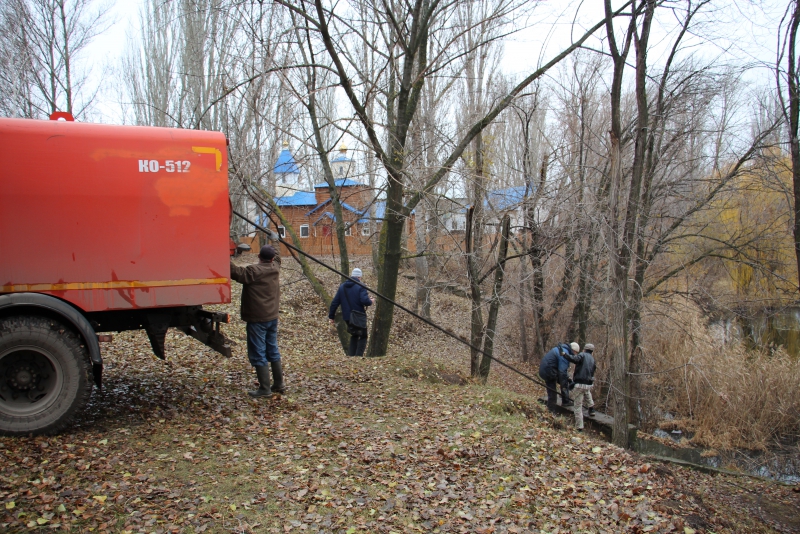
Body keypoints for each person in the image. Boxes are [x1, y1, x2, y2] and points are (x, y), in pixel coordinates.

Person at [230, 244, 284, 398]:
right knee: (272, 349)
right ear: (272, 258)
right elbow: (278, 257)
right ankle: (279, 384)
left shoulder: (253, 271)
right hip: (272, 317)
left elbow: (234, 271)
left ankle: (265, 389)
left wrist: (222, 256)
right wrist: (275, 240)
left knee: (258, 352)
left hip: (258, 319)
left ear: (259, 257)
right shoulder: (276, 267)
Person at [329, 268, 375, 356]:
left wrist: (331, 316)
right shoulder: (361, 286)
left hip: (347, 317)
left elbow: (335, 303)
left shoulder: (342, 287)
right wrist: (371, 301)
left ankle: (351, 357)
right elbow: (365, 301)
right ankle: (358, 358)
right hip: (358, 316)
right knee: (363, 336)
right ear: (359, 277)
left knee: (354, 335)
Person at [538, 342, 580, 412]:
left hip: (545, 369)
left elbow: (561, 369)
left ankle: (551, 409)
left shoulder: (562, 350)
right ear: (573, 350)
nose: (575, 355)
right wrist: (565, 385)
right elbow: (562, 373)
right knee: (553, 393)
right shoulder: (563, 354)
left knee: (552, 390)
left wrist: (568, 379)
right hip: (549, 371)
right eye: (576, 353)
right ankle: (551, 412)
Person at [571, 343, 597, 431]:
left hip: (579, 383)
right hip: (588, 384)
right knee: (586, 392)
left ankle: (579, 427)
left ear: (584, 349)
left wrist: (565, 355)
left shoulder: (582, 355)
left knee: (577, 405)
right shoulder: (593, 359)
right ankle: (591, 408)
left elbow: (575, 359)